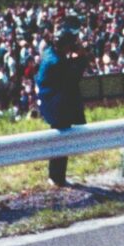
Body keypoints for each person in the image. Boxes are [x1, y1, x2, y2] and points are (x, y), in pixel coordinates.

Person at [37, 26, 88, 187]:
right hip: (57, 105)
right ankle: (56, 177)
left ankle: (57, 176)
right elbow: (74, 76)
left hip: (53, 102)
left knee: (61, 139)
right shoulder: (57, 62)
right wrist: (81, 56)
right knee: (61, 139)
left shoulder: (49, 53)